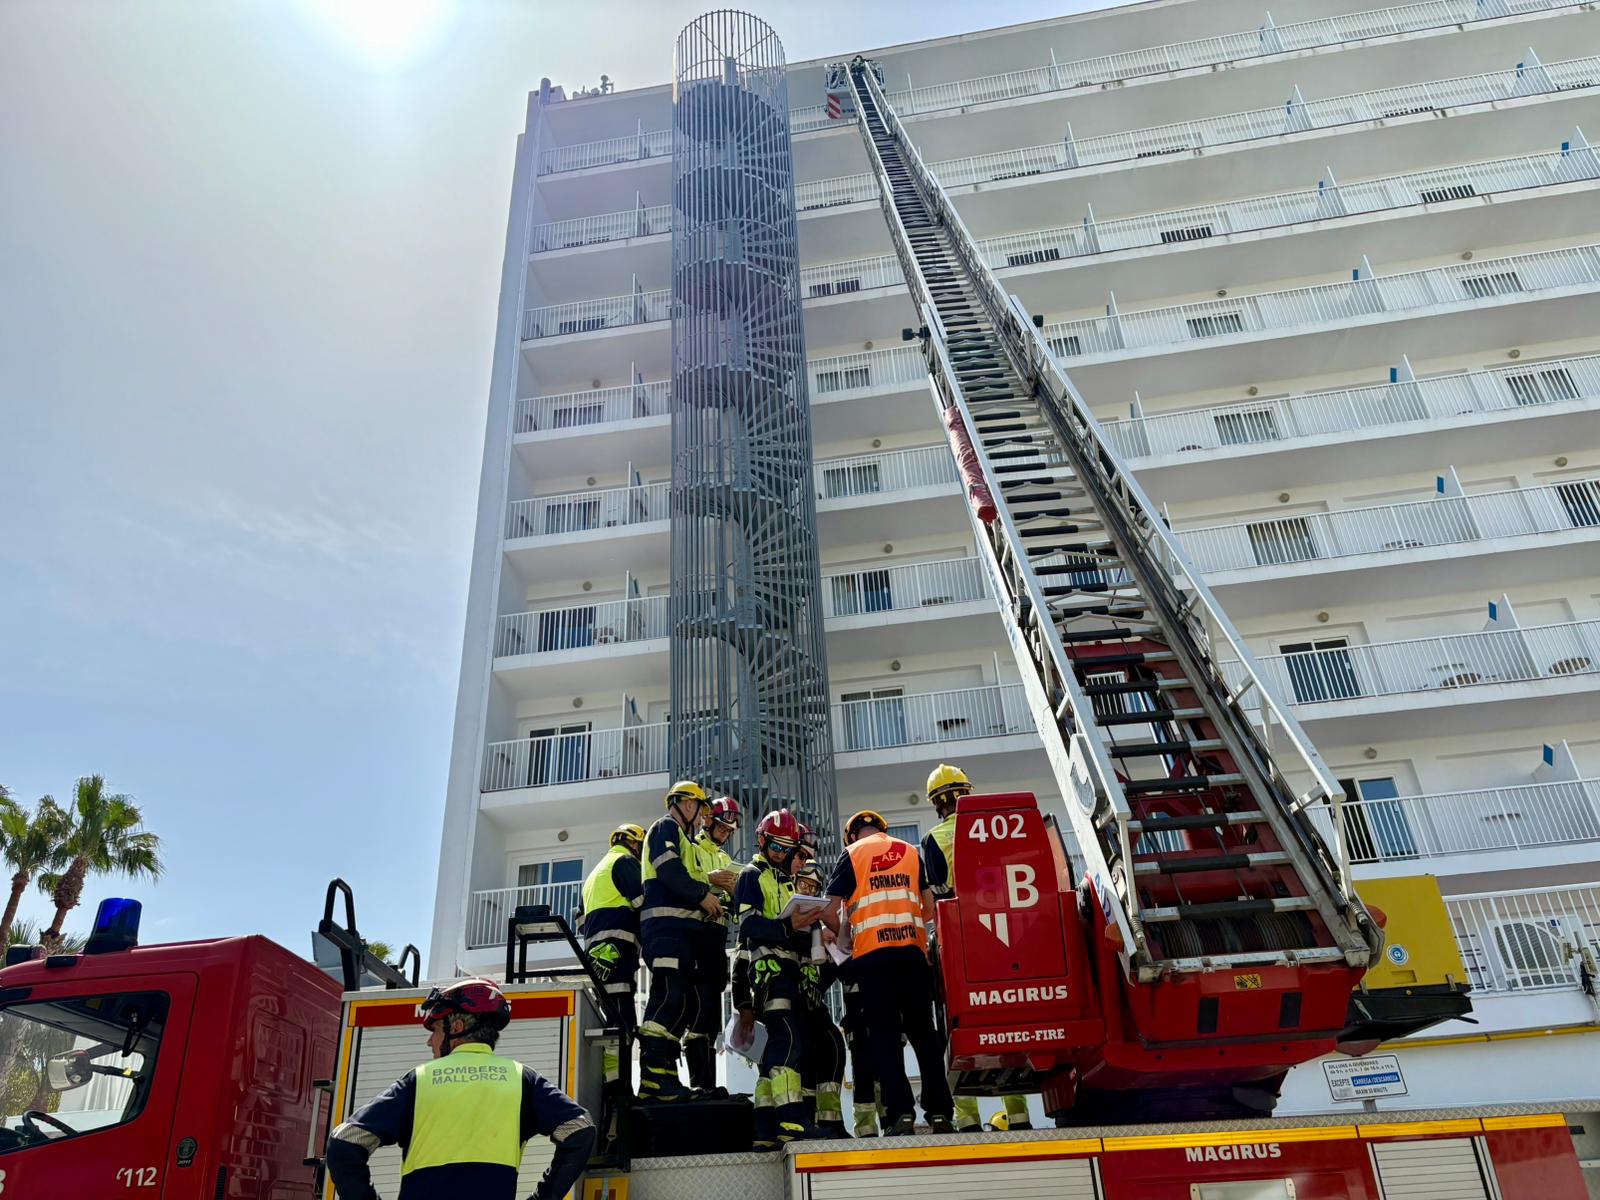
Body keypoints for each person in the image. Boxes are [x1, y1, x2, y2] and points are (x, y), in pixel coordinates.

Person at [326, 979, 595, 1200]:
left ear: (456, 1027)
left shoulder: (419, 1080)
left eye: (435, 1030)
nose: (430, 1042)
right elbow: (579, 1129)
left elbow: (345, 1140)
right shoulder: (521, 1079)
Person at [821, 809, 954, 1137]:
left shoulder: (851, 855)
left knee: (885, 1037)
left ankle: (901, 1115)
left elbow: (827, 908)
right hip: (911, 953)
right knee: (924, 1035)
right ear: (882, 829)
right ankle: (940, 1114)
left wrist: (847, 933)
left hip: (872, 958)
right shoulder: (909, 851)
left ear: (853, 835)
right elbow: (928, 907)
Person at [923, 764, 1033, 1133]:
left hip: (958, 940)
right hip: (1004, 935)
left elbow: (937, 890)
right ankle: (1018, 1117)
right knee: (1004, 1022)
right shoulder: (998, 828)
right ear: (968, 792)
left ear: (937, 804)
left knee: (955, 1027)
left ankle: (966, 1118)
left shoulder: (934, 838)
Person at [733, 808, 822, 1148]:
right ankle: (791, 1121)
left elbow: (789, 932)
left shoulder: (787, 883)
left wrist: (814, 932)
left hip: (791, 971)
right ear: (762, 841)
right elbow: (750, 926)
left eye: (788, 849)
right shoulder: (752, 875)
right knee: (787, 1042)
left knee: (778, 1049)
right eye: (776, 847)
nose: (781, 854)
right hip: (769, 972)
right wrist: (789, 927)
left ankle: (765, 1128)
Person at [638, 780, 719, 1103]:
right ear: (688, 805)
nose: (702, 819)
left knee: (680, 1002)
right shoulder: (665, 829)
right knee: (668, 996)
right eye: (701, 810)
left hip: (681, 934)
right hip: (665, 930)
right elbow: (670, 871)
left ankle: (665, 1079)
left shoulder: (683, 838)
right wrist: (703, 896)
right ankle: (653, 1079)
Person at [578, 822, 645, 1142]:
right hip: (617, 956)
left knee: (610, 1030)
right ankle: (620, 1100)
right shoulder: (626, 863)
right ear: (635, 844)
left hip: (598, 960)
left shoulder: (594, 875)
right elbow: (643, 903)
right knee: (623, 1029)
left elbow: (582, 921)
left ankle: (611, 1095)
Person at [684, 795, 742, 1091]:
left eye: (730, 831)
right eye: (723, 827)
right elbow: (683, 881)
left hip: (718, 937)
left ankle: (709, 1084)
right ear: (707, 820)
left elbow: (729, 897)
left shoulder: (723, 858)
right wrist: (711, 880)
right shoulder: (691, 847)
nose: (726, 834)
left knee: (712, 1016)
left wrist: (734, 893)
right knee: (699, 1009)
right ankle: (698, 1085)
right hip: (697, 934)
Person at [793, 858, 848, 1138]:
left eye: (814, 887)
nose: (809, 891)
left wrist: (830, 948)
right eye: (804, 884)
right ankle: (807, 1120)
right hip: (789, 1003)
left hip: (814, 1003)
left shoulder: (819, 926)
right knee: (802, 1056)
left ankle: (832, 1122)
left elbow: (827, 976)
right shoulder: (785, 914)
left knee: (833, 1046)